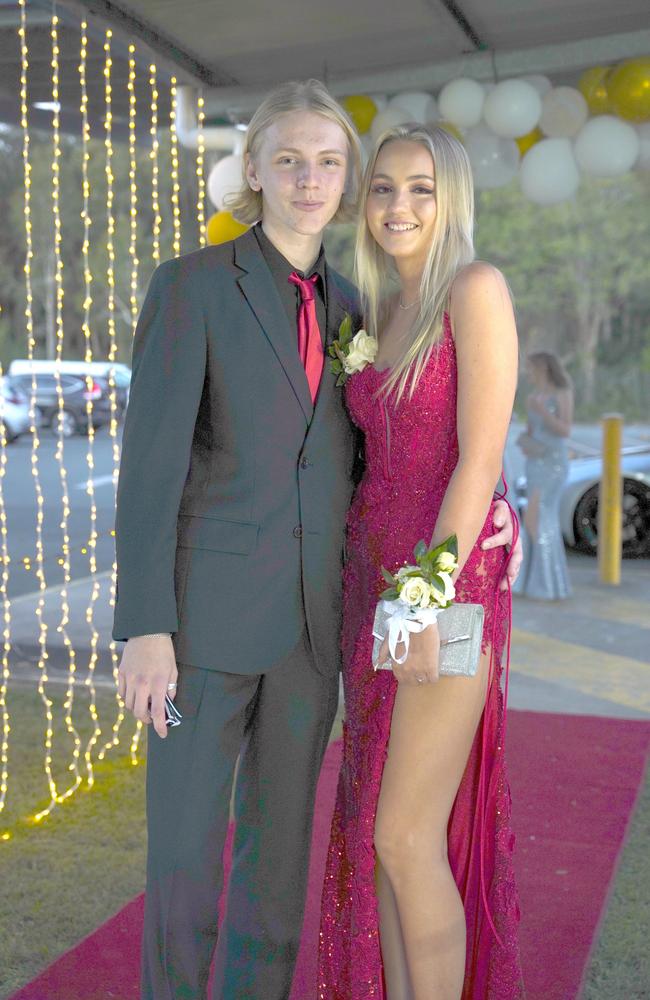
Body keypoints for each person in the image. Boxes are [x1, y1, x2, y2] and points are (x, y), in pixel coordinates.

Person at [113, 81, 520, 1000]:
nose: (310, 179)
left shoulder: (356, 311)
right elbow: (150, 470)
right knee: (183, 865)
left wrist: (494, 521)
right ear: (253, 168)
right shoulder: (192, 286)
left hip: (318, 634)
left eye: (329, 162)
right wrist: (144, 625)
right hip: (198, 635)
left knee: (278, 876)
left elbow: (441, 442)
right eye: (289, 159)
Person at [318, 124, 524, 999]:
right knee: (378, 839)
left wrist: (428, 596)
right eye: (385, 188)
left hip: (441, 590)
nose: (399, 206)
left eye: (422, 189)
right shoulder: (374, 312)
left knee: (405, 835)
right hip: (369, 590)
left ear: (453, 201)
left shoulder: (473, 289)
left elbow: (478, 455)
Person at [513, 350, 573, 600]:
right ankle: (535, 581)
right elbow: (531, 429)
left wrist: (544, 411)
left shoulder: (562, 394)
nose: (529, 374)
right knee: (533, 520)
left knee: (539, 518)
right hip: (535, 462)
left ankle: (548, 585)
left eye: (532, 369)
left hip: (553, 462)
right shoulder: (532, 398)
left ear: (544, 369)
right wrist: (525, 440)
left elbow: (565, 430)